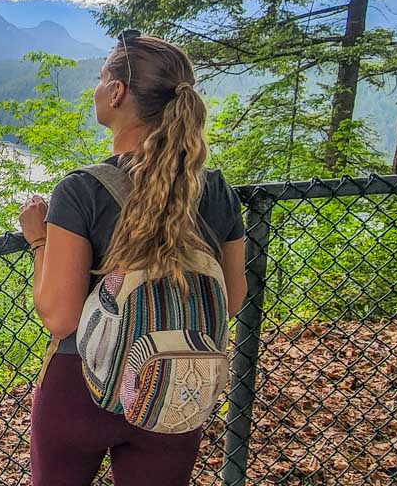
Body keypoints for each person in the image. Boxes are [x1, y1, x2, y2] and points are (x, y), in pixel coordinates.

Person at [18, 30, 248, 486]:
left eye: (103, 78)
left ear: (118, 92)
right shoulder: (215, 188)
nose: (98, 88)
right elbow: (234, 298)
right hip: (174, 385)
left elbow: (61, 317)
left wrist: (39, 242)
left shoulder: (81, 190)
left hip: (81, 382)